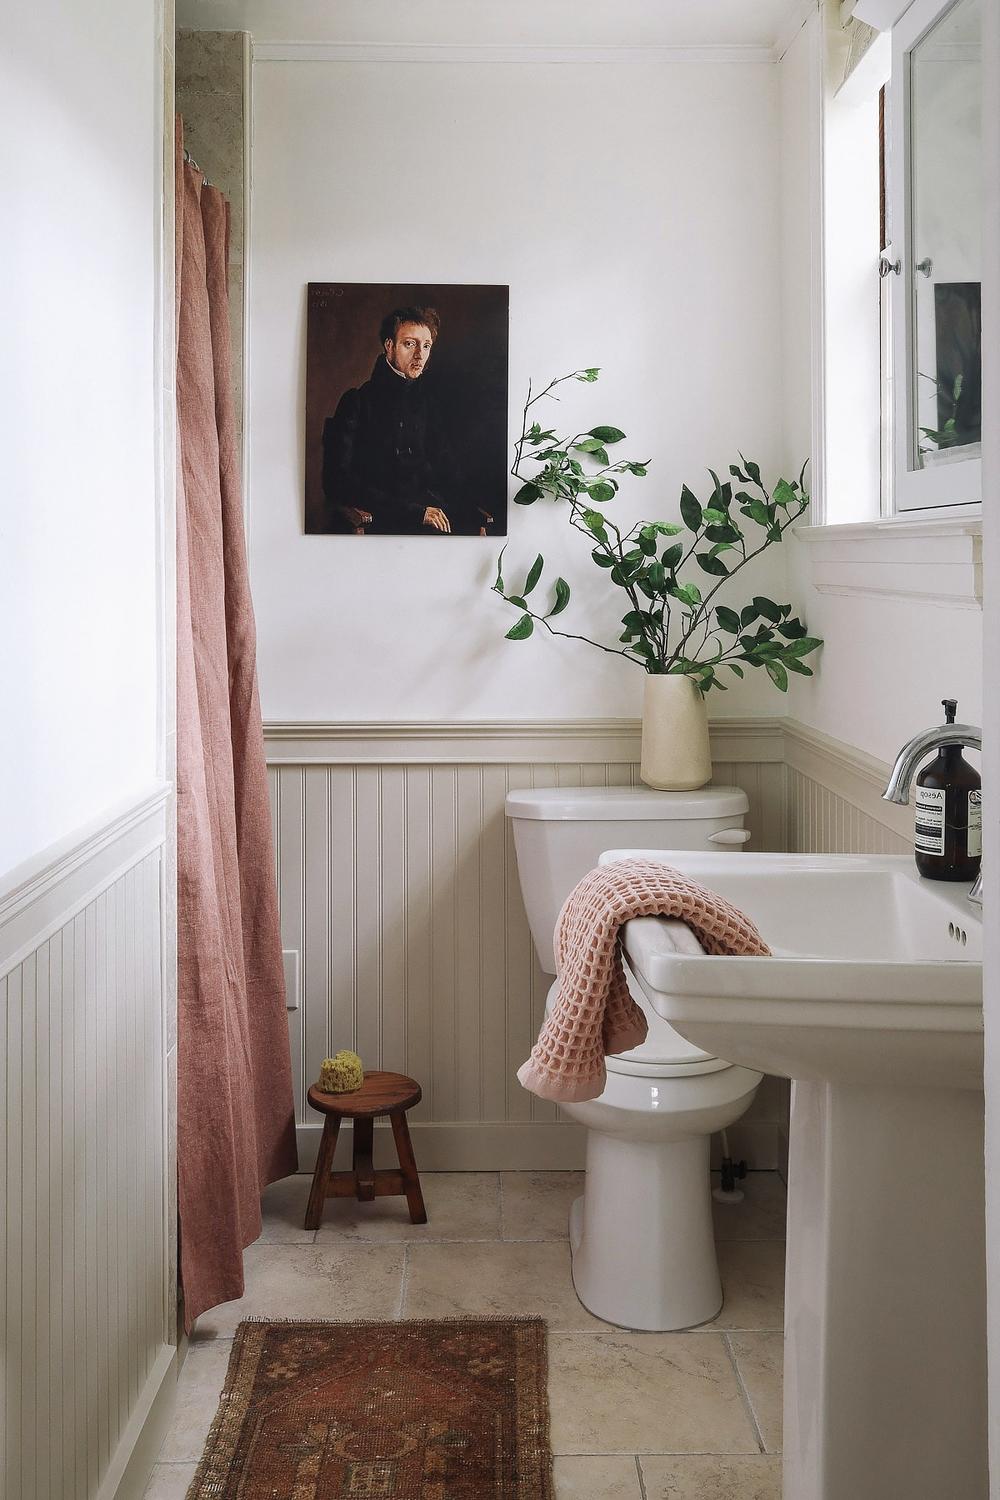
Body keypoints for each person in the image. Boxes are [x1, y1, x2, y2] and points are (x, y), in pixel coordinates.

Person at [322, 306, 462, 535]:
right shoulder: (357, 402)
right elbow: (337, 482)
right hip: (379, 523)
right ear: (389, 346)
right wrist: (414, 512)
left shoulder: (427, 404)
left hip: (433, 521)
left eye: (426, 346)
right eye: (410, 344)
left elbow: (447, 470)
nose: (420, 354)